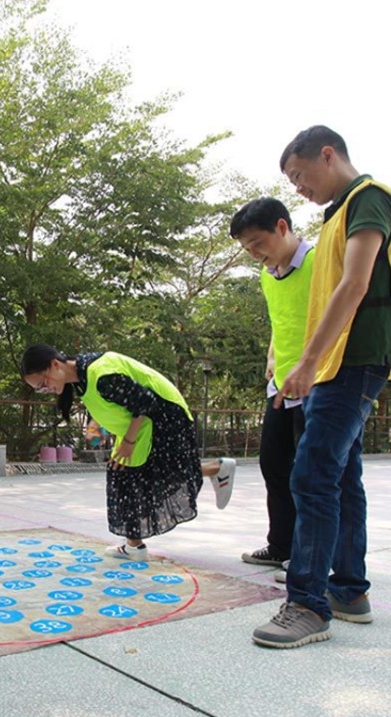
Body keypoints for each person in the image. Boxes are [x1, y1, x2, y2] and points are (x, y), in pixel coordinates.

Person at [253, 126, 391, 648]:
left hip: (351, 360)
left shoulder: (369, 198)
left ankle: (307, 604)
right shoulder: (336, 215)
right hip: (337, 362)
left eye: (299, 175)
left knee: (310, 474)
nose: (299, 187)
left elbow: (355, 284)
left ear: (327, 155)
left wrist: (308, 362)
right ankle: (349, 591)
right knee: (340, 475)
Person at [20, 345, 236, 559]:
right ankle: (135, 545)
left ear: (55, 364)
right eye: (39, 389)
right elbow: (114, 402)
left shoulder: (101, 374)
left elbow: (145, 400)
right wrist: (100, 425)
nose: (44, 390)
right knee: (123, 474)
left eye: (42, 383)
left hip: (164, 416)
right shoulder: (82, 376)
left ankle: (217, 469)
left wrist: (129, 442)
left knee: (150, 474)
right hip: (144, 422)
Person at [230, 198, 314, 573]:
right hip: (281, 384)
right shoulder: (267, 274)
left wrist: (312, 366)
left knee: (313, 474)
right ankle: (281, 545)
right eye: (246, 248)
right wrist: (271, 355)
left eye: (257, 243)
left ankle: (312, 556)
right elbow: (282, 322)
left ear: (282, 227)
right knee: (273, 464)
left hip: (318, 382)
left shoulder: (318, 263)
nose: (253, 254)